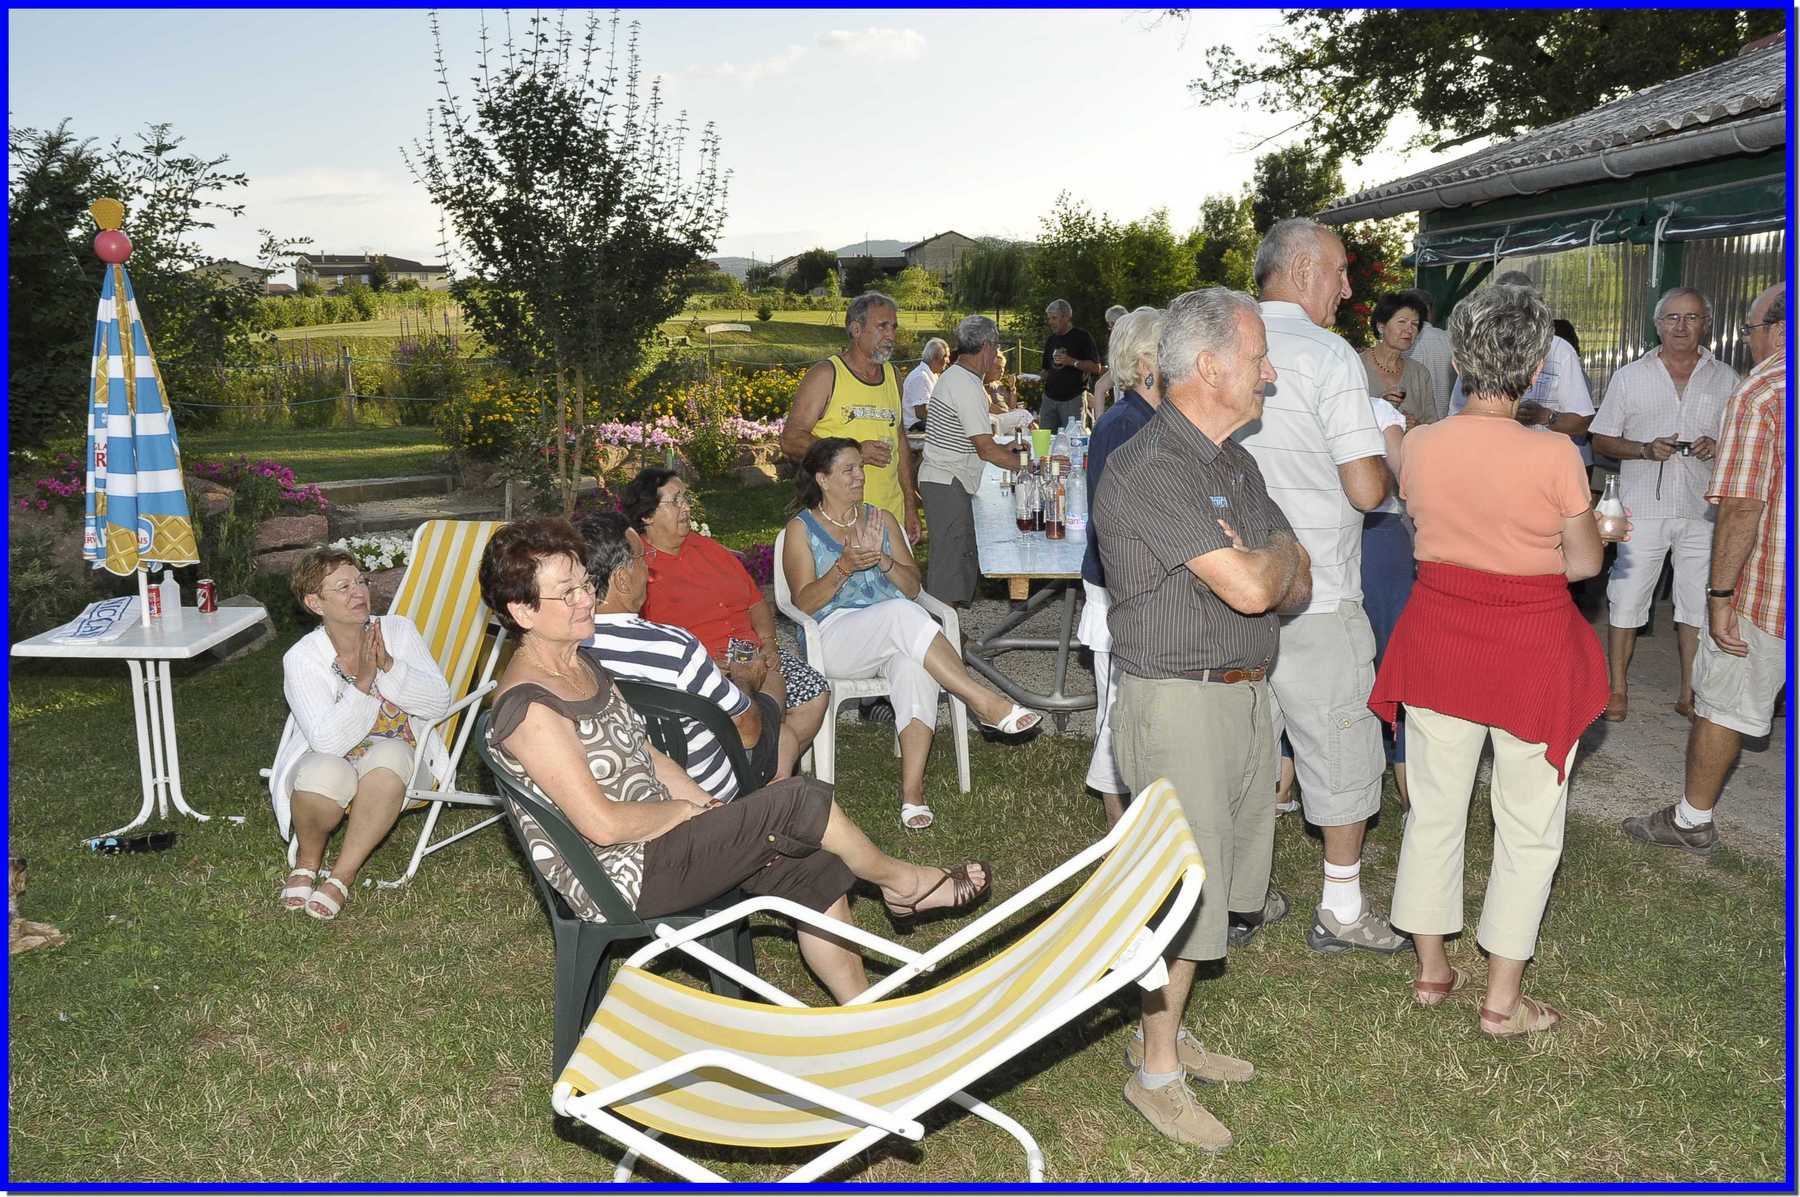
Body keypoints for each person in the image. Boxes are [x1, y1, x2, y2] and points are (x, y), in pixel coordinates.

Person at [478, 517, 992, 1005]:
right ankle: (904, 885)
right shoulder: (532, 708)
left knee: (814, 864)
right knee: (796, 799)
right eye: (566, 593)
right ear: (523, 612)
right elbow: (602, 825)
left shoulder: (580, 662)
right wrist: (685, 813)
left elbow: (647, 753)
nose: (587, 599)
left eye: (585, 584)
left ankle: (861, 1010)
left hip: (659, 842)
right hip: (620, 876)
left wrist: (707, 805)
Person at [1371, 282, 1626, 1038]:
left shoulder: (1420, 444)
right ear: (1539, 366)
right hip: (1530, 649)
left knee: (1434, 808)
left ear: (1456, 358)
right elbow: (1582, 565)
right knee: (1528, 822)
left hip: (1439, 639)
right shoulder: (1554, 454)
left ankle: (1431, 969)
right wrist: (1599, 534)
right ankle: (1502, 999)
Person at [1094, 287, 1309, 1150]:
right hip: (1179, 701)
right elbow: (1260, 584)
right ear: (1211, 366)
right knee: (1181, 894)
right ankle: (1155, 1073)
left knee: (1212, 887)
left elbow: (1299, 581)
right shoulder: (1149, 466)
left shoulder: (1234, 463)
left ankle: (1170, 1034)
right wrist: (1272, 555)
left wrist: (1271, 556)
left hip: (1242, 694)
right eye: (1258, 359)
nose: (1271, 372)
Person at [1240, 217, 1400, 956]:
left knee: (1245, 748)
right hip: (1318, 588)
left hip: (1235, 584)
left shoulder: (1223, 340)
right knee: (1340, 746)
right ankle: (1340, 906)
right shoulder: (1329, 354)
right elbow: (1365, 488)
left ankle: (1239, 895)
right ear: (1303, 270)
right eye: (1338, 271)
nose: (1346, 287)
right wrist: (1392, 462)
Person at [781, 437, 1042, 830]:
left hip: (897, 633)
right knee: (902, 614)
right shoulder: (801, 529)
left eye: (860, 467)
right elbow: (802, 603)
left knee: (914, 665)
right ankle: (980, 699)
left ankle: (913, 793)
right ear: (822, 479)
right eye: (849, 469)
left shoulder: (881, 520)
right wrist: (844, 567)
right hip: (834, 639)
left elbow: (912, 587)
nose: (860, 476)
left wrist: (884, 560)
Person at [1623, 282, 1786, 854]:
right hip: (1656, 508)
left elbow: (1742, 506)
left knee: (1724, 701)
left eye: (1751, 329)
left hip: (1772, 587)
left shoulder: (1760, 391)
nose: (1749, 340)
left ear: (1777, 330)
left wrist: (1720, 597)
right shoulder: (1636, 376)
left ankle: (1692, 820)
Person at [271, 547, 453, 921]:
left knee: (391, 755)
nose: (358, 592)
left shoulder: (398, 631)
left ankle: (342, 876)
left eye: (360, 582)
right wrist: (365, 681)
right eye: (343, 587)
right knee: (322, 771)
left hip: (404, 761)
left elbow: (438, 703)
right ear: (315, 603)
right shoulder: (303, 657)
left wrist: (388, 664)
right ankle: (307, 862)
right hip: (333, 756)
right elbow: (327, 743)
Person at [1586, 287, 1739, 722]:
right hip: (1642, 508)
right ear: (1657, 325)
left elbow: (1741, 441)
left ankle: (1689, 693)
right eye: (1672, 318)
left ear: (1706, 324)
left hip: (1702, 508)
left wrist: (1718, 446)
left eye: (1691, 317)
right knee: (1627, 597)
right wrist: (1643, 449)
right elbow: (1600, 440)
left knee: (1696, 602)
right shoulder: (1630, 377)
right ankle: (1618, 689)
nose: (1681, 326)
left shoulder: (1726, 378)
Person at [624, 467, 829, 778]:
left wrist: (769, 643)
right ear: (647, 516)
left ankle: (756, 773)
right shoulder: (639, 567)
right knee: (766, 720)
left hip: (752, 653)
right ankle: (760, 772)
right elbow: (646, 639)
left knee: (814, 692)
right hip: (703, 667)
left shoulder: (706, 547)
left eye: (685, 498)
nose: (686, 507)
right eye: (675, 501)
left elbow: (755, 602)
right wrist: (706, 663)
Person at [579, 511, 784, 801]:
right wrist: (745, 681)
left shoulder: (569, 649)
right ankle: (770, 795)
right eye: (642, 559)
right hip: (704, 791)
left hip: (624, 788)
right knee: (772, 688)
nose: (649, 570)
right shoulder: (676, 648)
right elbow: (748, 732)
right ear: (622, 580)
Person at [1077, 305, 1165, 828]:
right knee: (1118, 704)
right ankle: (1118, 822)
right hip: (1120, 586)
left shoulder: (1147, 418)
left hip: (1139, 584)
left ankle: (1134, 815)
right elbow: (1116, 518)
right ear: (1145, 362)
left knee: (1134, 701)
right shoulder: (1124, 424)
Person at [781, 292, 921, 543]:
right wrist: (854, 453)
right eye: (882, 326)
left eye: (894, 327)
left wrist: (910, 505)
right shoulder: (827, 375)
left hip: (891, 516)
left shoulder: (892, 376)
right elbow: (791, 440)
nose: (891, 335)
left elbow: (900, 441)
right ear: (856, 330)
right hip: (839, 523)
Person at [918, 315, 1032, 607]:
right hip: (946, 481)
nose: (996, 354)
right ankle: (939, 629)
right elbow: (986, 450)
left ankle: (947, 626)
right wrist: (1033, 467)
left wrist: (1008, 448)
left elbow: (978, 440)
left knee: (957, 563)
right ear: (987, 345)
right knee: (948, 570)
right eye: (996, 348)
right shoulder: (965, 384)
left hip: (948, 479)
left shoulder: (961, 378)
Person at [1447, 272, 1595, 448]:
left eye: (1519, 304)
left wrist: (1545, 416)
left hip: (1540, 457)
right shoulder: (1477, 346)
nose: (1512, 313)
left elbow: (1582, 423)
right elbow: (1457, 413)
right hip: (1486, 452)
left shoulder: (1559, 350)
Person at [1360, 293, 1437, 428]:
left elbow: (1432, 425)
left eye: (1415, 324)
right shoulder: (1357, 366)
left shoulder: (1420, 373)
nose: (1409, 329)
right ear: (1381, 326)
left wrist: (1417, 426)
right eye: (1402, 322)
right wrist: (1379, 409)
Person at [1039, 299, 1101, 431]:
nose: (1050, 322)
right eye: (1049, 318)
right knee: (1044, 438)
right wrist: (1039, 377)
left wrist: (1071, 362)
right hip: (1049, 400)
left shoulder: (1082, 337)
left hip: (1073, 400)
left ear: (1066, 317)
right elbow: (1045, 370)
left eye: (1054, 318)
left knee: (1072, 439)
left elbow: (1096, 368)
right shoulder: (1051, 340)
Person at [1399, 288, 1455, 421]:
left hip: (1411, 422)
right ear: (1430, 310)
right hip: (1446, 421)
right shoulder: (1450, 341)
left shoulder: (1400, 342)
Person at [1089, 303, 1131, 421]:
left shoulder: (1121, 343)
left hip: (1125, 405)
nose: (1110, 330)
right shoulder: (1135, 340)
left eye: (1109, 326)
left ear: (1113, 324)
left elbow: (1101, 386)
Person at [902, 337, 949, 432]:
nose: (948, 361)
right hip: (915, 427)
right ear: (935, 358)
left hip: (924, 424)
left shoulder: (932, 375)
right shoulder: (921, 377)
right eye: (945, 356)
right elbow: (921, 413)